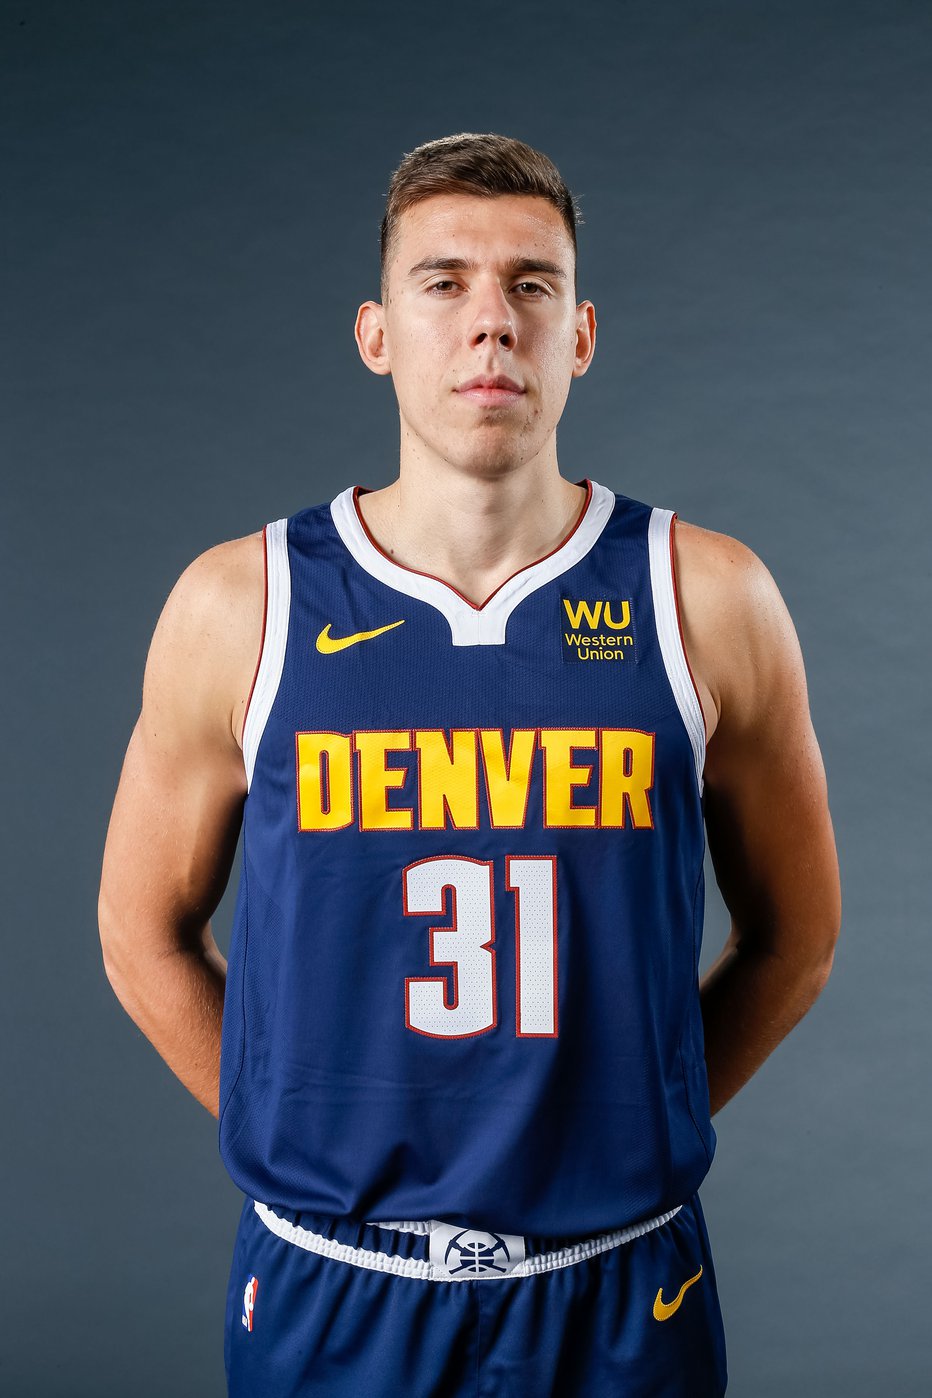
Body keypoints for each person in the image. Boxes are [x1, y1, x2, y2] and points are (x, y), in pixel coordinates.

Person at [98, 132, 841, 1396]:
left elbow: (796, 937)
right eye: (442, 284)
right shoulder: (244, 604)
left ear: (581, 334)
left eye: (530, 286)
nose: (489, 323)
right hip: (334, 1281)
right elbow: (139, 934)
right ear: (376, 333)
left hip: (618, 1280)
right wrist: (293, 1128)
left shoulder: (704, 597)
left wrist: (634, 1111)